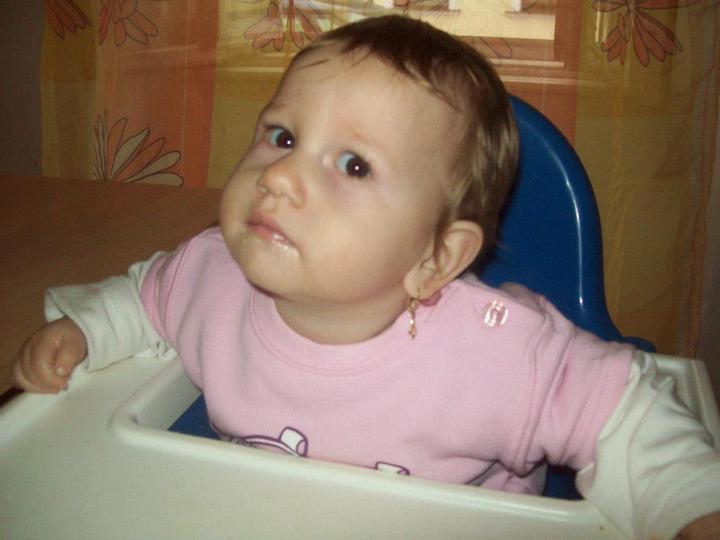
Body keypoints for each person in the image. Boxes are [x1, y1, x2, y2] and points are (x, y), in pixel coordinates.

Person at [12, 15, 720, 540]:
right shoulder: (210, 275)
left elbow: (626, 412)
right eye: (282, 136)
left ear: (435, 260)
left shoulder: (503, 354)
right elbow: (146, 296)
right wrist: (87, 329)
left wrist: (691, 506)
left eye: (353, 165)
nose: (281, 175)